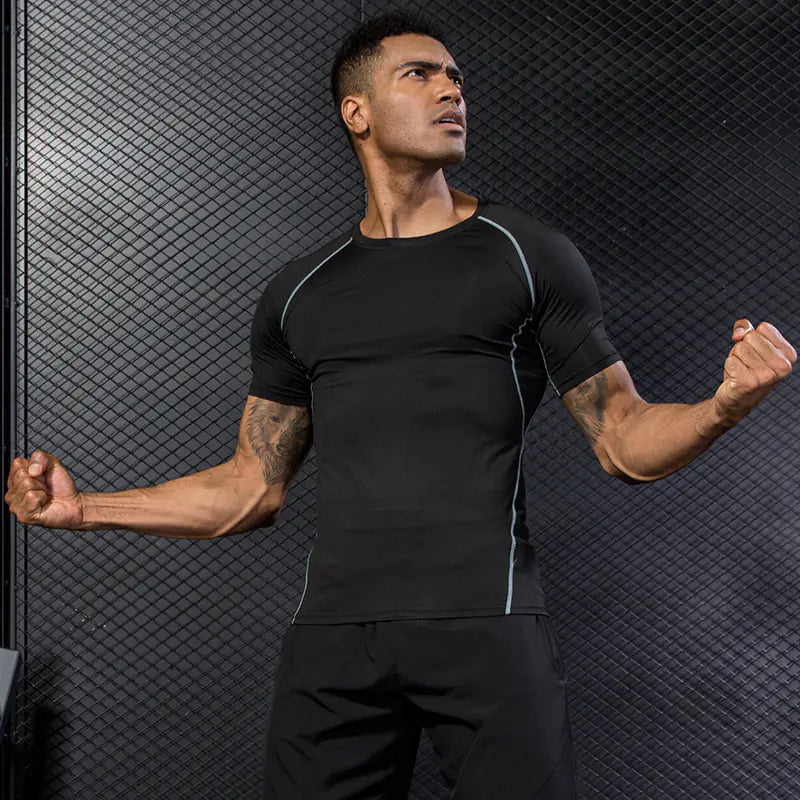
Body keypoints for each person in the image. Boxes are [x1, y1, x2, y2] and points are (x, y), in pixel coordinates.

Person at [4, 9, 796, 800]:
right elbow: (251, 487)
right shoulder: (300, 292)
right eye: (419, 74)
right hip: (336, 640)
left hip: (487, 627)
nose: (451, 90)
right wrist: (85, 510)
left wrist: (722, 405)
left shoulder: (527, 255)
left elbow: (622, 440)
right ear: (357, 112)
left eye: (456, 77)